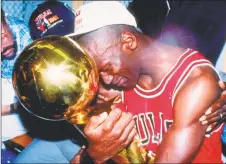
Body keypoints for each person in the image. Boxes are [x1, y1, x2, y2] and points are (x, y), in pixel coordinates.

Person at [67, 1, 226, 163]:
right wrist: (94, 154)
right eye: (99, 72)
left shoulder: (196, 82)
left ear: (129, 42)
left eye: (107, 67)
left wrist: (95, 157)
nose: (105, 79)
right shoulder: (119, 80)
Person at [13, 1, 83, 163]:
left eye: (67, 35)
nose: (64, 43)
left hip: (94, 136)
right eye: (54, 42)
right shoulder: (45, 68)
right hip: (64, 135)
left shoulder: (96, 49)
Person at [1, 8, 33, 163]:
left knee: (8, 130)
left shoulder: (26, 39)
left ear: (5, 21)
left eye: (2, 36)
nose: (1, 48)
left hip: (21, 87)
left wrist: (7, 109)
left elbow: (37, 99)